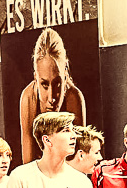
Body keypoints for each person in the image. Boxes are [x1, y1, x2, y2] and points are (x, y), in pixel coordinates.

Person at [18, 27, 85, 165]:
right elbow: (28, 164)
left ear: (65, 75)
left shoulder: (74, 97)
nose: (52, 98)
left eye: (57, 84)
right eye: (44, 85)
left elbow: (79, 160)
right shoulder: (28, 98)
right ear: (35, 77)